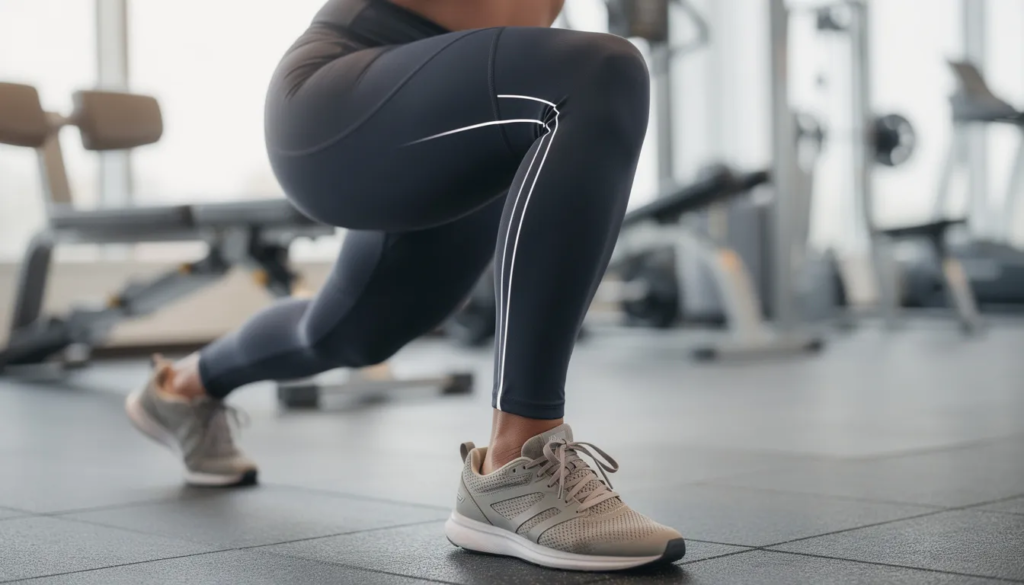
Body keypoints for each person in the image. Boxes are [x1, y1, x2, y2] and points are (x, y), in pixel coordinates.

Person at [125, 0, 685, 571]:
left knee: (353, 331)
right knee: (599, 71)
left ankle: (183, 388)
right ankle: (515, 465)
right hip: (345, 89)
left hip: (468, 102)